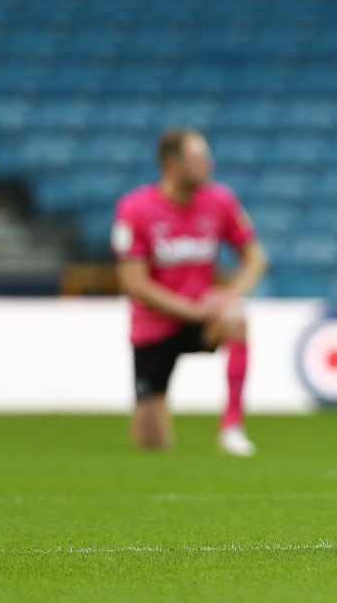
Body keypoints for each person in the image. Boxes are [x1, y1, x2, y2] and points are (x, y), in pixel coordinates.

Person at [112, 128, 268, 456]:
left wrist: (228, 295)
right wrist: (190, 308)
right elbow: (134, 283)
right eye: (198, 159)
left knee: (237, 320)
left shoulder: (220, 201)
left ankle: (232, 426)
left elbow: (255, 259)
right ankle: (151, 405)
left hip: (203, 318)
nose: (208, 165)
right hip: (154, 326)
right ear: (172, 164)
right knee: (151, 441)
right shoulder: (134, 209)